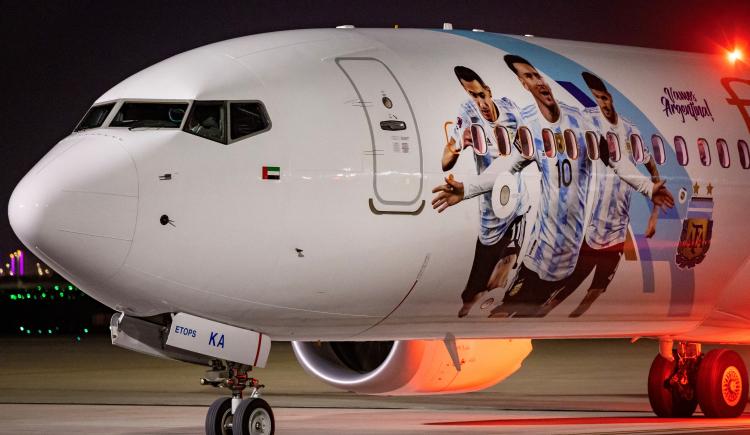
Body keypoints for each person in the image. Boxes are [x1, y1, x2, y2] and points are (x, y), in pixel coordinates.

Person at [432, 55, 675, 318]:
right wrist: (465, 190)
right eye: (528, 78)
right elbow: (505, 168)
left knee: (531, 317)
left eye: (536, 75)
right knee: (503, 318)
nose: (537, 82)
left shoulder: (582, 122)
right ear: (524, 85)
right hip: (538, 257)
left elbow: (617, 162)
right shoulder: (530, 126)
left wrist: (648, 189)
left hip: (568, 260)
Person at [560, 72, 664, 317]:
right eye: (597, 99)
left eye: (604, 98)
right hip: (594, 231)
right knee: (566, 288)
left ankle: (574, 321)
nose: (603, 104)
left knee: (595, 291)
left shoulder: (630, 130)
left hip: (617, 232)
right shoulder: (590, 119)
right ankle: (552, 319)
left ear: (611, 98)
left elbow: (653, 171)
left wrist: (654, 217)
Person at [444, 66, 528, 318]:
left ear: (488, 91)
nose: (479, 102)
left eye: (481, 95)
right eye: (472, 96)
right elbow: (446, 161)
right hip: (489, 215)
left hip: (517, 206)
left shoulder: (511, 109)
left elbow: (528, 150)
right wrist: (458, 147)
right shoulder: (467, 114)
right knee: (471, 295)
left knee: (499, 282)